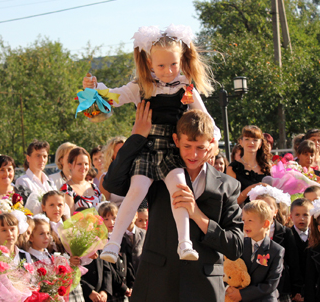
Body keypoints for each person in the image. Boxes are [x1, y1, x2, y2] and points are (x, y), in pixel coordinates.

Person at [84, 25, 220, 264]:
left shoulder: (185, 87)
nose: (168, 71)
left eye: (173, 64)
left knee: (180, 190)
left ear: (182, 60)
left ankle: (184, 243)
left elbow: (205, 118)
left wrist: (214, 140)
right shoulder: (141, 86)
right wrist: (93, 90)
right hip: (146, 149)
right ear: (148, 63)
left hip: (171, 149)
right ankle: (113, 243)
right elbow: (114, 97)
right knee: (136, 190)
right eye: (161, 66)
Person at [103, 106, 244, 302]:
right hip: (163, 289)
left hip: (206, 292)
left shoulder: (228, 185)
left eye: (200, 147)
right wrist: (137, 136)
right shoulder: (158, 176)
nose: (193, 154)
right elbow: (113, 183)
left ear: (211, 143)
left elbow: (236, 246)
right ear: (176, 140)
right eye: (187, 146)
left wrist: (197, 214)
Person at [250, 188, 301, 302]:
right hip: (257, 284)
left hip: (280, 285)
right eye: (260, 206)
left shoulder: (285, 232)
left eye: (269, 207)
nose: (264, 210)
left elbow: (294, 261)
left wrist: (296, 287)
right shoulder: (249, 231)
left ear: (276, 211)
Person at [230, 200, 284, 302]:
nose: (245, 224)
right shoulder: (240, 245)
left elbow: (271, 284)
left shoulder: (276, 250)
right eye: (243, 220)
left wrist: (242, 294)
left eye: (250, 220)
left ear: (266, 223)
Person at [99, 202, 133, 302]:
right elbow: (108, 268)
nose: (111, 222)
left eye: (114, 218)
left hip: (123, 288)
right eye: (106, 219)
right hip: (112, 289)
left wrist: (131, 283)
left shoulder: (122, 239)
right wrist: (123, 286)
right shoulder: (101, 241)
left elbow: (127, 263)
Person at [226, 125, 272, 205]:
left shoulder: (267, 167)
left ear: (260, 143)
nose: (251, 143)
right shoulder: (232, 168)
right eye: (247, 139)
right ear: (241, 142)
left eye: (255, 140)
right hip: (244, 214)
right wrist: (251, 189)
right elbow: (231, 202)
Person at [289, 198, 313, 302]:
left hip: (313, 291)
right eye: (297, 215)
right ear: (290, 216)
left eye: (305, 215)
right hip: (295, 293)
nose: (301, 218)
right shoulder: (287, 236)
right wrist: (296, 291)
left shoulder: (317, 236)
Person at [99, 137, 126, 206]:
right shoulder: (106, 178)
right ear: (112, 156)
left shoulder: (136, 174)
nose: (124, 155)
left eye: (126, 151)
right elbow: (105, 206)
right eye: (120, 152)